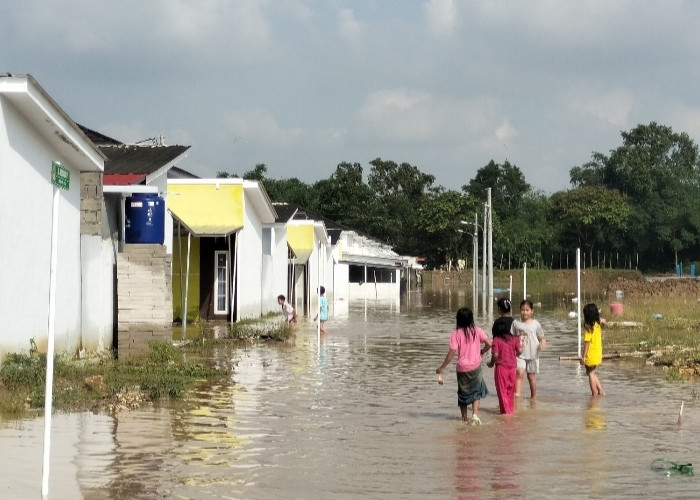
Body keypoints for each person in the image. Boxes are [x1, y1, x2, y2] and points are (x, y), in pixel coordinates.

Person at [436, 307, 492, 424]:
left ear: (458, 320)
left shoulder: (456, 334)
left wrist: (442, 367)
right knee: (476, 391)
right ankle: (475, 415)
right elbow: (489, 344)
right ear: (471, 319)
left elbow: (452, 353)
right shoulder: (477, 331)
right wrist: (482, 351)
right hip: (475, 366)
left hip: (462, 368)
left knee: (463, 393)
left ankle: (464, 419)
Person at [487, 309, 522, 414]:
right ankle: (511, 410)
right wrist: (513, 356)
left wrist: (491, 363)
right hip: (512, 368)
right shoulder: (514, 339)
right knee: (510, 391)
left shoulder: (497, 340)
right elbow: (520, 350)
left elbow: (496, 355)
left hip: (501, 368)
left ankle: (506, 414)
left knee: (502, 392)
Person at [511, 300, 546, 399]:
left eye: (527, 310)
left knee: (531, 377)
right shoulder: (515, 323)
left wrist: (542, 344)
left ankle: (533, 398)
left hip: (533, 354)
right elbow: (511, 338)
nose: (525, 312)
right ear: (519, 310)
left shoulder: (536, 324)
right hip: (519, 354)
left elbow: (542, 338)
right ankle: (517, 395)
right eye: (522, 310)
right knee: (519, 373)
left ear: (532, 311)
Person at [580, 303, 605, 396]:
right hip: (597, 352)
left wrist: (583, 357)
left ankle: (594, 393)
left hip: (590, 353)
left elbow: (587, 343)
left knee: (590, 373)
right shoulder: (597, 325)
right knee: (592, 372)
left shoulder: (588, 327)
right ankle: (601, 391)